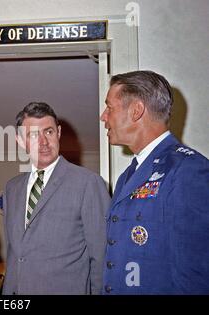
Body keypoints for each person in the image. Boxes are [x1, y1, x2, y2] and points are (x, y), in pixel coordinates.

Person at [100, 70, 209, 294]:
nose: (103, 116)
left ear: (136, 110)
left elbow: (196, 276)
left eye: (109, 107)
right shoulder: (127, 176)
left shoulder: (188, 170)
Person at [3, 102, 110, 295]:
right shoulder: (12, 188)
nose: (43, 142)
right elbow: (14, 255)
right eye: (34, 135)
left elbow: (102, 257)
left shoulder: (89, 183)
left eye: (49, 132)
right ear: (20, 141)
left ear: (58, 133)